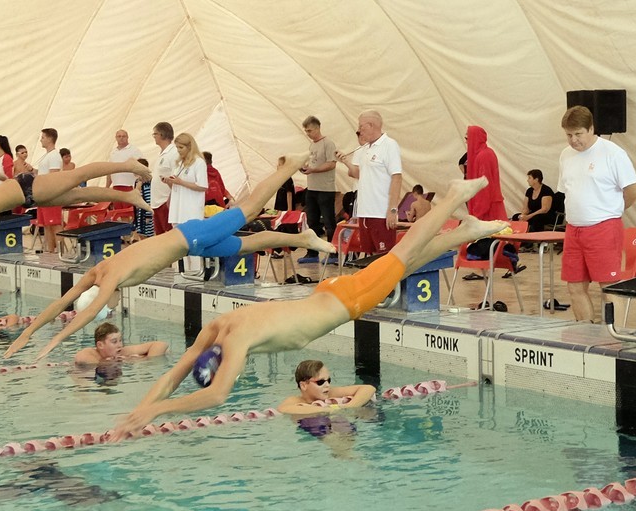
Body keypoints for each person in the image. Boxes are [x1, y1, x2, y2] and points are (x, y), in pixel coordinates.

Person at [109, 177, 509, 439]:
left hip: (345, 300)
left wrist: (157, 411)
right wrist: (139, 412)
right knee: (403, 264)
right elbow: (172, 378)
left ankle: (453, 197)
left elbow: (215, 396)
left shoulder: (235, 339)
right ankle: (467, 230)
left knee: (404, 252)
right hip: (329, 291)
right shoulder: (217, 327)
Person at [4, 157, 331, 360]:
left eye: (109, 305)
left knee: (249, 209)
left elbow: (86, 313)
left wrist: (54, 342)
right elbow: (62, 303)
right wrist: (27, 334)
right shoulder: (98, 272)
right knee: (246, 246)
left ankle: (287, 167)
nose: (112, 307)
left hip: (192, 236)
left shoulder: (110, 279)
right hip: (191, 246)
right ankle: (301, 239)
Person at [0, 159, 152, 319]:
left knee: (79, 175)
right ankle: (129, 196)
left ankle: (128, 165)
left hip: (27, 188)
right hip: (24, 195)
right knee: (77, 195)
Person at [558, 105, 636, 322]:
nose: (573, 140)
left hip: (604, 228)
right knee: (575, 286)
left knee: (609, 287)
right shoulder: (565, 155)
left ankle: (612, 335)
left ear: (591, 129)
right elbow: (568, 191)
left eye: (578, 134)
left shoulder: (613, 153)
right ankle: (585, 331)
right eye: (569, 135)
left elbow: (634, 190)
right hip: (573, 229)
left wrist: (614, 210)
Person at [337, 111, 403, 257]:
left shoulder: (389, 145)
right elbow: (358, 174)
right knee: (369, 256)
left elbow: (397, 177)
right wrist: (345, 161)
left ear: (371, 125)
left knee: (384, 257)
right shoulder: (365, 148)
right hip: (364, 213)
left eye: (361, 126)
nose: (359, 130)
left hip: (381, 214)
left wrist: (392, 210)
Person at [276, 359, 376, 414]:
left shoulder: (331, 393)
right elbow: (283, 409)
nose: (327, 385)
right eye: (320, 382)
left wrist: (349, 406)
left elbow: (368, 388)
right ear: (304, 385)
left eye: (328, 380)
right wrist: (327, 409)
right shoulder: (295, 401)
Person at [300, 116, 339, 244]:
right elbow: (313, 163)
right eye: (306, 131)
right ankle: (313, 251)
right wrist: (305, 168)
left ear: (317, 128)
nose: (307, 133)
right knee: (312, 221)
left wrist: (313, 170)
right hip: (312, 188)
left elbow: (331, 164)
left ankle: (333, 249)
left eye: (309, 130)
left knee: (329, 221)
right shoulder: (312, 145)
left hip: (325, 189)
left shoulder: (328, 143)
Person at [74, 321, 168, 369]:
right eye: (114, 342)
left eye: (120, 340)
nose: (120, 345)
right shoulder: (90, 353)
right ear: (100, 345)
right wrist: (118, 361)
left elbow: (161, 345)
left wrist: (147, 360)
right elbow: (82, 359)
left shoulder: (122, 352)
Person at [33, 128, 65, 255]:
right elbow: (43, 173)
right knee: (46, 224)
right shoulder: (47, 156)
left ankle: (60, 252)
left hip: (51, 195)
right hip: (43, 195)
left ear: (50, 139)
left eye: (43, 137)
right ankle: (50, 250)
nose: (41, 140)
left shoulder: (54, 156)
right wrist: (33, 171)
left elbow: (53, 177)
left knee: (55, 223)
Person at [147, 122, 177, 236]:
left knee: (169, 235)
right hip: (157, 202)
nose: (154, 137)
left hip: (166, 201)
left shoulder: (173, 153)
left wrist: (170, 198)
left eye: (155, 134)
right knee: (159, 236)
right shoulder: (162, 154)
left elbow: (176, 177)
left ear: (161, 134)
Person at [513, 169, 561, 234]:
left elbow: (544, 209)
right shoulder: (529, 191)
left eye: (529, 178)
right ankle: (519, 235)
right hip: (533, 214)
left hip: (547, 215)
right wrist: (522, 216)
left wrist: (528, 216)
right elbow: (526, 208)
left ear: (536, 179)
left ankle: (535, 237)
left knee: (537, 219)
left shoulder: (546, 190)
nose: (527, 180)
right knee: (516, 216)